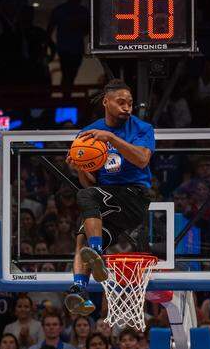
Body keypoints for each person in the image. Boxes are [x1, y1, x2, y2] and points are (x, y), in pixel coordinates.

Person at [64, 79, 154, 316]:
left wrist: (111, 139)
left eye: (130, 103)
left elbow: (142, 159)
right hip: (106, 200)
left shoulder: (142, 128)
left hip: (134, 196)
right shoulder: (87, 133)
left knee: (86, 197)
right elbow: (89, 182)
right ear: (106, 102)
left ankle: (97, 253)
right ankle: (80, 291)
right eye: (121, 102)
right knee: (81, 237)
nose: (127, 107)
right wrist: (80, 168)